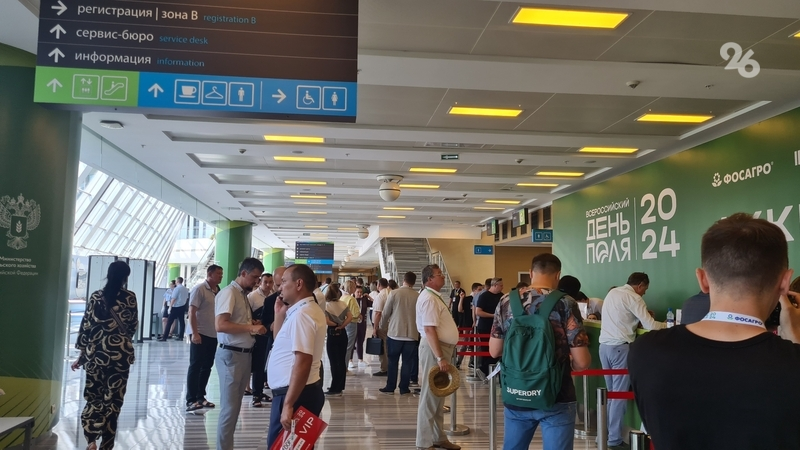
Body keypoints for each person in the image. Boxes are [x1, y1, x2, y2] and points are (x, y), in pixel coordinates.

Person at [630, 213, 800, 449]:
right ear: (785, 282)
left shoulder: (645, 352)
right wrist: (795, 338)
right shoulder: (791, 363)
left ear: (702, 279)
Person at [489, 253, 591, 450]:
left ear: (530, 273)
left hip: (516, 391)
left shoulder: (506, 301)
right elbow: (582, 362)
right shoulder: (566, 303)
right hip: (557, 394)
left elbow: (494, 350)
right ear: (558, 275)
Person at [72, 261, 138, 450]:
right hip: (120, 357)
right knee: (113, 401)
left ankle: (91, 439)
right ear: (126, 277)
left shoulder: (96, 296)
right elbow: (132, 326)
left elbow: (86, 326)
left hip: (96, 355)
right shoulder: (130, 298)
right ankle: (106, 445)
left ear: (108, 275)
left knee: (94, 397)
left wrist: (81, 356)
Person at [599, 272, 665, 449]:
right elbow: (651, 326)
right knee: (618, 397)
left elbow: (621, 317)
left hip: (604, 348)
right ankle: (613, 439)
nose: (644, 293)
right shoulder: (634, 298)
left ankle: (603, 436)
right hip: (620, 348)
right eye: (645, 289)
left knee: (610, 395)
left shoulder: (613, 293)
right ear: (640, 285)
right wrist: (667, 325)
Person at [267, 264, 327, 448]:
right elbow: (281, 344)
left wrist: (288, 404)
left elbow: (303, 361)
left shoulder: (303, 315)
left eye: (284, 282)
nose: (280, 287)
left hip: (296, 394)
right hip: (297, 392)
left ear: (299, 284)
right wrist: (279, 315)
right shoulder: (304, 310)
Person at [214, 258, 267, 450]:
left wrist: (250, 324)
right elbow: (221, 325)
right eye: (254, 277)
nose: (256, 281)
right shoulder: (229, 293)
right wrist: (250, 328)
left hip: (244, 355)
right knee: (229, 409)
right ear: (243, 273)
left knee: (235, 408)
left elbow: (236, 322)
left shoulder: (242, 294)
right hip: (231, 355)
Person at [415, 264, 461, 450]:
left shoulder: (434, 297)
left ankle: (438, 437)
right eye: (439, 274)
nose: (443, 276)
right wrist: (440, 357)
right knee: (429, 396)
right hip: (435, 349)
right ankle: (423, 442)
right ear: (429, 279)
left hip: (441, 348)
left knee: (438, 395)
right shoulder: (429, 299)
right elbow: (429, 329)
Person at [185, 265, 223, 412]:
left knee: (207, 366)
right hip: (199, 333)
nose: (221, 276)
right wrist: (195, 333)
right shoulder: (199, 289)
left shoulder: (218, 291)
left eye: (221, 274)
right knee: (195, 366)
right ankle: (191, 399)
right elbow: (192, 312)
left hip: (212, 333)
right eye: (218, 273)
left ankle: (200, 396)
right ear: (209, 274)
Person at [380, 271, 420, 395]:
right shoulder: (418, 296)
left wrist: (381, 326)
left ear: (403, 280)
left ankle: (390, 387)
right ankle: (404, 388)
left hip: (395, 333)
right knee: (407, 362)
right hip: (412, 334)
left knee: (392, 361)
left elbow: (386, 312)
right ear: (414, 282)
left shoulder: (394, 293)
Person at [247, 272, 274, 406]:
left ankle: (261, 390)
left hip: (270, 332)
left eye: (270, 282)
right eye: (265, 282)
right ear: (260, 282)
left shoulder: (274, 296)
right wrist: (253, 322)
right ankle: (256, 394)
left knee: (266, 362)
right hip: (257, 334)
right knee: (258, 363)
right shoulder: (252, 296)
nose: (268, 285)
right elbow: (247, 314)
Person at [324, 283, 352, 397]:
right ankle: (340, 386)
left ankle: (334, 387)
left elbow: (326, 321)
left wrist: (335, 325)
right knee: (341, 360)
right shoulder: (343, 304)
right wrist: (342, 325)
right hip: (342, 333)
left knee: (334, 361)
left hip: (332, 334)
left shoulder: (326, 305)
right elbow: (350, 317)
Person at [476, 278, 504, 376]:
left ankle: (485, 370)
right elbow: (478, 311)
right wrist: (493, 316)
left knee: (498, 350)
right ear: (495, 285)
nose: (502, 287)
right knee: (486, 350)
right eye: (501, 285)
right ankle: (485, 371)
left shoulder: (502, 296)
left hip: (498, 327)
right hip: (485, 326)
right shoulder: (484, 296)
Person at [455, 282, 479, 369]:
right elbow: (460, 309)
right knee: (465, 343)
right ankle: (458, 361)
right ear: (474, 290)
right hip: (467, 323)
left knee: (474, 344)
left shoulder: (480, 299)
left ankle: (471, 362)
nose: (481, 291)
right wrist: (461, 299)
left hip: (476, 324)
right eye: (479, 289)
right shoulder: (467, 299)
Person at [372, 278, 391, 376]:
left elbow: (378, 313)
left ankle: (384, 369)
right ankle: (391, 367)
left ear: (378, 285)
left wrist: (375, 328)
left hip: (382, 325)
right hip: (391, 324)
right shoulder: (392, 293)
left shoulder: (380, 296)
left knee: (382, 347)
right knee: (389, 347)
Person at [160, 276, 189, 341]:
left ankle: (164, 337)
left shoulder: (177, 289)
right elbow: (187, 298)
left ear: (177, 281)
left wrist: (170, 307)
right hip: (182, 306)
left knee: (169, 322)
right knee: (182, 322)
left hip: (175, 307)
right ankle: (181, 336)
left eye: (176, 281)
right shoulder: (185, 289)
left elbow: (173, 298)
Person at [342, 280, 361, 370]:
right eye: (354, 286)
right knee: (349, 346)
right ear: (351, 288)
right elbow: (356, 313)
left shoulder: (342, 298)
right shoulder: (351, 299)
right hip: (351, 323)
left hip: (343, 322)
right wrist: (360, 315)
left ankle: (342, 365)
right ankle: (345, 367)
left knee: (344, 344)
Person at [353, 285, 372, 368]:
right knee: (352, 342)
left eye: (361, 292)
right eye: (358, 292)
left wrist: (369, 297)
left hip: (362, 323)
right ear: (354, 292)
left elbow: (374, 304)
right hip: (354, 322)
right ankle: (350, 360)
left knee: (360, 341)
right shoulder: (352, 299)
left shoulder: (364, 299)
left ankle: (360, 359)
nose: (359, 294)